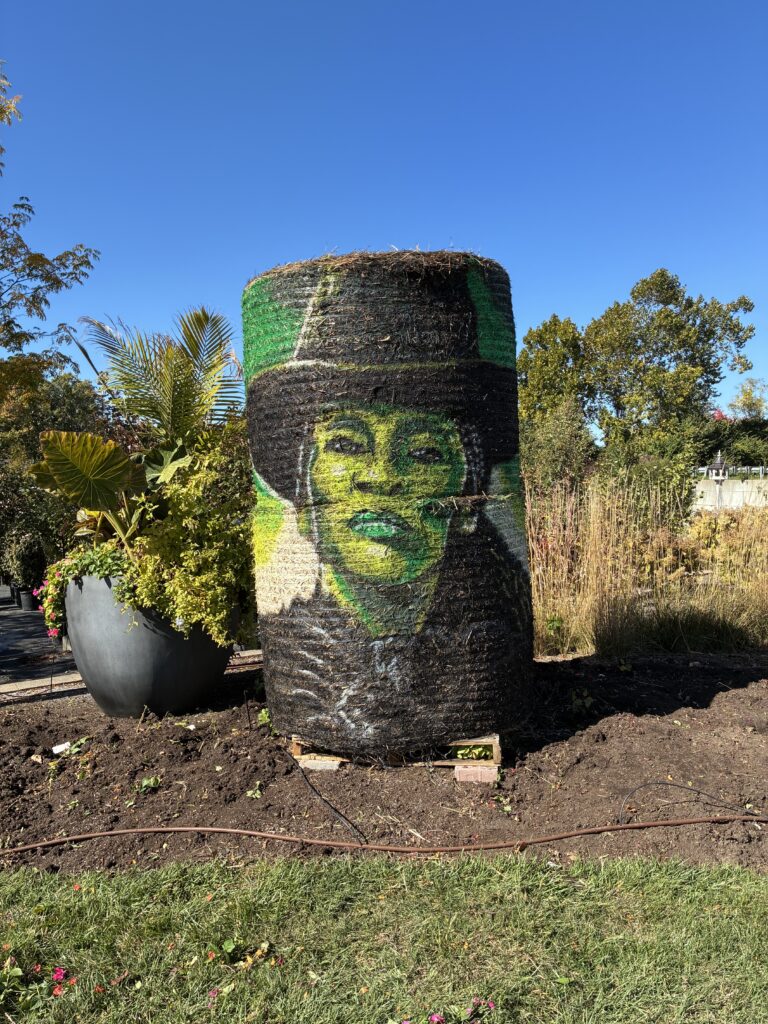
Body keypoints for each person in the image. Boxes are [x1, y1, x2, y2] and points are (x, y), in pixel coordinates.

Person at [244, 253, 532, 756]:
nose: (380, 479)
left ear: (467, 498)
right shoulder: (300, 656)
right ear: (304, 487)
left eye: (423, 451)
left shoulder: (490, 646)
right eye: (346, 444)